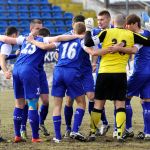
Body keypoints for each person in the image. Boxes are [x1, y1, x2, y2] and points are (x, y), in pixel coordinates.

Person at [27, 22, 112, 143]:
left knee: (57, 105)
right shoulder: (82, 41)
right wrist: (109, 50)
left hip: (58, 71)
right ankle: (74, 130)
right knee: (82, 103)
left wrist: (32, 41)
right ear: (83, 32)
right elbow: (93, 53)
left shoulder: (62, 39)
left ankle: (57, 137)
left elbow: (47, 46)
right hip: (71, 73)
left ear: (73, 30)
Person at [0, 27, 80, 143]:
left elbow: (5, 38)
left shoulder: (24, 39)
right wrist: (77, 36)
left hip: (16, 69)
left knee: (19, 104)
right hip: (29, 70)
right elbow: (58, 38)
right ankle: (35, 137)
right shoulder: (43, 40)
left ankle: (17, 135)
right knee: (32, 104)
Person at [84, 14, 150, 142]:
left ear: (113, 22)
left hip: (104, 72)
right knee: (120, 104)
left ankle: (92, 133)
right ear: (124, 23)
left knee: (98, 104)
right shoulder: (130, 35)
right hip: (120, 74)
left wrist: (88, 30)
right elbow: (147, 41)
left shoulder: (106, 32)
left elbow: (88, 42)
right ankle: (119, 133)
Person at [63, 15, 95, 138]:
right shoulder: (66, 36)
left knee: (92, 96)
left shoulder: (88, 35)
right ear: (73, 24)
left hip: (85, 71)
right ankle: (68, 128)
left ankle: (96, 126)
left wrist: (93, 62)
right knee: (69, 100)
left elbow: (93, 48)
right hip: (73, 72)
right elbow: (57, 54)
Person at [124, 14, 150, 140]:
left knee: (124, 98)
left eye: (128, 24)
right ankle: (147, 133)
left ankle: (128, 129)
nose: (126, 27)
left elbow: (133, 50)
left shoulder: (139, 36)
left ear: (135, 24)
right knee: (146, 101)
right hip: (149, 71)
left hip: (140, 72)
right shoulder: (148, 33)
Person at [91, 10, 113, 136]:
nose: (99, 22)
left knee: (119, 100)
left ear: (109, 19)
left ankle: (121, 130)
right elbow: (94, 48)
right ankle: (104, 123)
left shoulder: (116, 30)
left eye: (102, 20)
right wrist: (94, 63)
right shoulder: (95, 31)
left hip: (117, 69)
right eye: (98, 20)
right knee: (96, 98)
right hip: (101, 69)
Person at [0, 26, 18, 142]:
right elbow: (1, 59)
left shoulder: (3, 42)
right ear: (14, 35)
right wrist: (6, 71)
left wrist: (14, 55)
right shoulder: (7, 44)